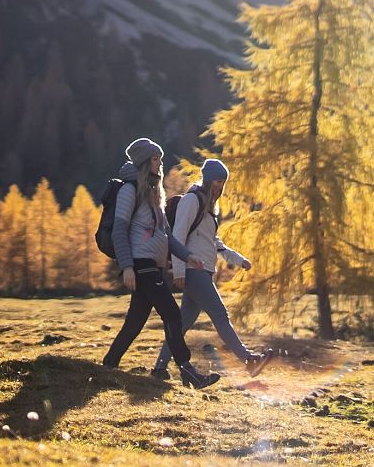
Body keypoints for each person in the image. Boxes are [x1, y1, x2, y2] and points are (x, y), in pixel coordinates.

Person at [101, 138, 219, 389]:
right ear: (144, 162)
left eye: (160, 158)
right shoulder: (128, 190)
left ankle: (108, 365)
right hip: (140, 264)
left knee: (135, 322)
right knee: (172, 314)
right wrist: (127, 266)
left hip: (152, 266)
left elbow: (166, 234)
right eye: (156, 158)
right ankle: (188, 372)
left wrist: (187, 256)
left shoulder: (154, 193)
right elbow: (119, 231)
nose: (160, 163)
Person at [152, 159, 273, 380]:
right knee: (220, 314)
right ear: (208, 180)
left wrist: (238, 259)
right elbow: (177, 235)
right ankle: (249, 360)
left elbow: (214, 242)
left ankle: (159, 368)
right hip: (191, 270)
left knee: (182, 323)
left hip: (204, 270)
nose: (221, 186)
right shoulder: (192, 200)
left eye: (224, 182)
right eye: (218, 181)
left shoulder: (209, 207)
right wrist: (179, 271)